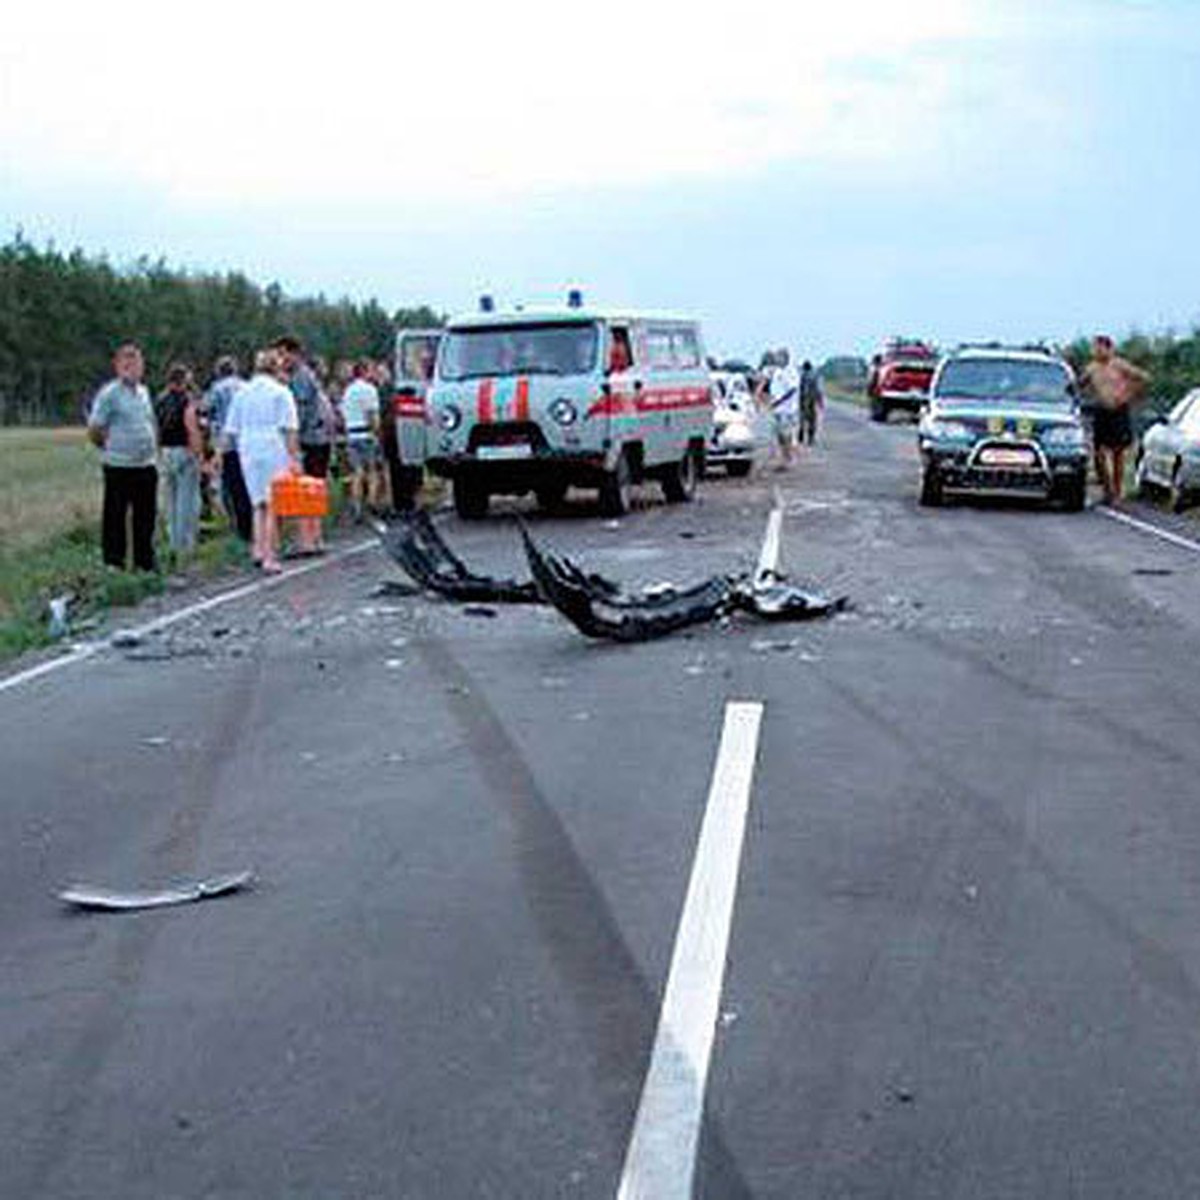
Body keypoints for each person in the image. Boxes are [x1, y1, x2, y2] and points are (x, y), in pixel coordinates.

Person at [220, 349, 299, 573]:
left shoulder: (242, 393)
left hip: (248, 447)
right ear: (276, 368)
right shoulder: (280, 392)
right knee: (274, 502)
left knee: (258, 503)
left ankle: (258, 548)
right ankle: (270, 555)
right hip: (273, 445)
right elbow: (289, 429)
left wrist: (219, 454)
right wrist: (294, 457)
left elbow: (230, 430)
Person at [87, 343, 159, 571]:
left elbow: (149, 422)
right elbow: (95, 428)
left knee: (146, 516)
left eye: (136, 362)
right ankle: (113, 563)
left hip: (145, 464)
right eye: (126, 363)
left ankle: (144, 562)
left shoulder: (144, 392)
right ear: (117, 366)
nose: (131, 367)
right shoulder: (109, 394)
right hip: (119, 464)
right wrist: (109, 447)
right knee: (115, 516)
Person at [273, 335, 332, 552]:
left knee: (305, 489)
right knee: (314, 488)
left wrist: (293, 442)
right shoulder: (307, 375)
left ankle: (307, 540)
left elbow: (301, 412)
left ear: (294, 353)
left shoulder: (300, 378)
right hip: (319, 437)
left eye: (283, 354)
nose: (281, 360)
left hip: (309, 439)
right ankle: (315, 538)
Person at [1081, 334, 1150, 504]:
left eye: (1100, 348)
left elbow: (1143, 378)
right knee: (1098, 453)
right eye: (1095, 348)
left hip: (1119, 410)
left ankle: (1117, 492)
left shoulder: (1119, 365)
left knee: (1118, 452)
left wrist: (1127, 395)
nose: (1097, 351)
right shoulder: (1092, 368)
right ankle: (1107, 489)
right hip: (1101, 411)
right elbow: (1079, 384)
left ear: (1109, 348)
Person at [154, 362, 205, 557]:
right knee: (187, 500)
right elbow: (191, 427)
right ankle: (186, 544)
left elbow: (156, 428)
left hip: (166, 451)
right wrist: (199, 454)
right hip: (184, 450)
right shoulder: (187, 401)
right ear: (184, 380)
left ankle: (173, 541)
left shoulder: (160, 400)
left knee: (170, 500)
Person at [205, 355, 253, 542]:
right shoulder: (246, 386)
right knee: (248, 486)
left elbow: (206, 410)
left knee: (231, 488)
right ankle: (253, 526)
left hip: (227, 444)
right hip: (247, 442)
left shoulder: (217, 389)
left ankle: (240, 529)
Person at [341, 359, 382, 520]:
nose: (373, 373)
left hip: (352, 434)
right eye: (371, 369)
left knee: (357, 471)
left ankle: (356, 505)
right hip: (366, 434)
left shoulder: (348, 391)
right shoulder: (370, 390)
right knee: (372, 471)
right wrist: (376, 433)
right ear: (364, 371)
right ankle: (372, 503)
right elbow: (372, 415)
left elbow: (344, 414)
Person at [761, 348, 799, 468]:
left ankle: (788, 459)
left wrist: (779, 401)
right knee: (780, 436)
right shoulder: (777, 371)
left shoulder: (791, 371)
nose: (777, 359)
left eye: (779, 357)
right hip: (777, 409)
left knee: (786, 435)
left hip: (787, 410)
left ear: (785, 358)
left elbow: (792, 390)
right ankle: (784, 458)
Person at [798, 360, 824, 447]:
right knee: (812, 420)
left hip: (802, 400)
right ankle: (810, 438)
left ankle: (800, 437)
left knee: (801, 418)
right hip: (812, 400)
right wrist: (820, 402)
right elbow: (819, 390)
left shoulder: (801, 376)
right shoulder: (815, 376)